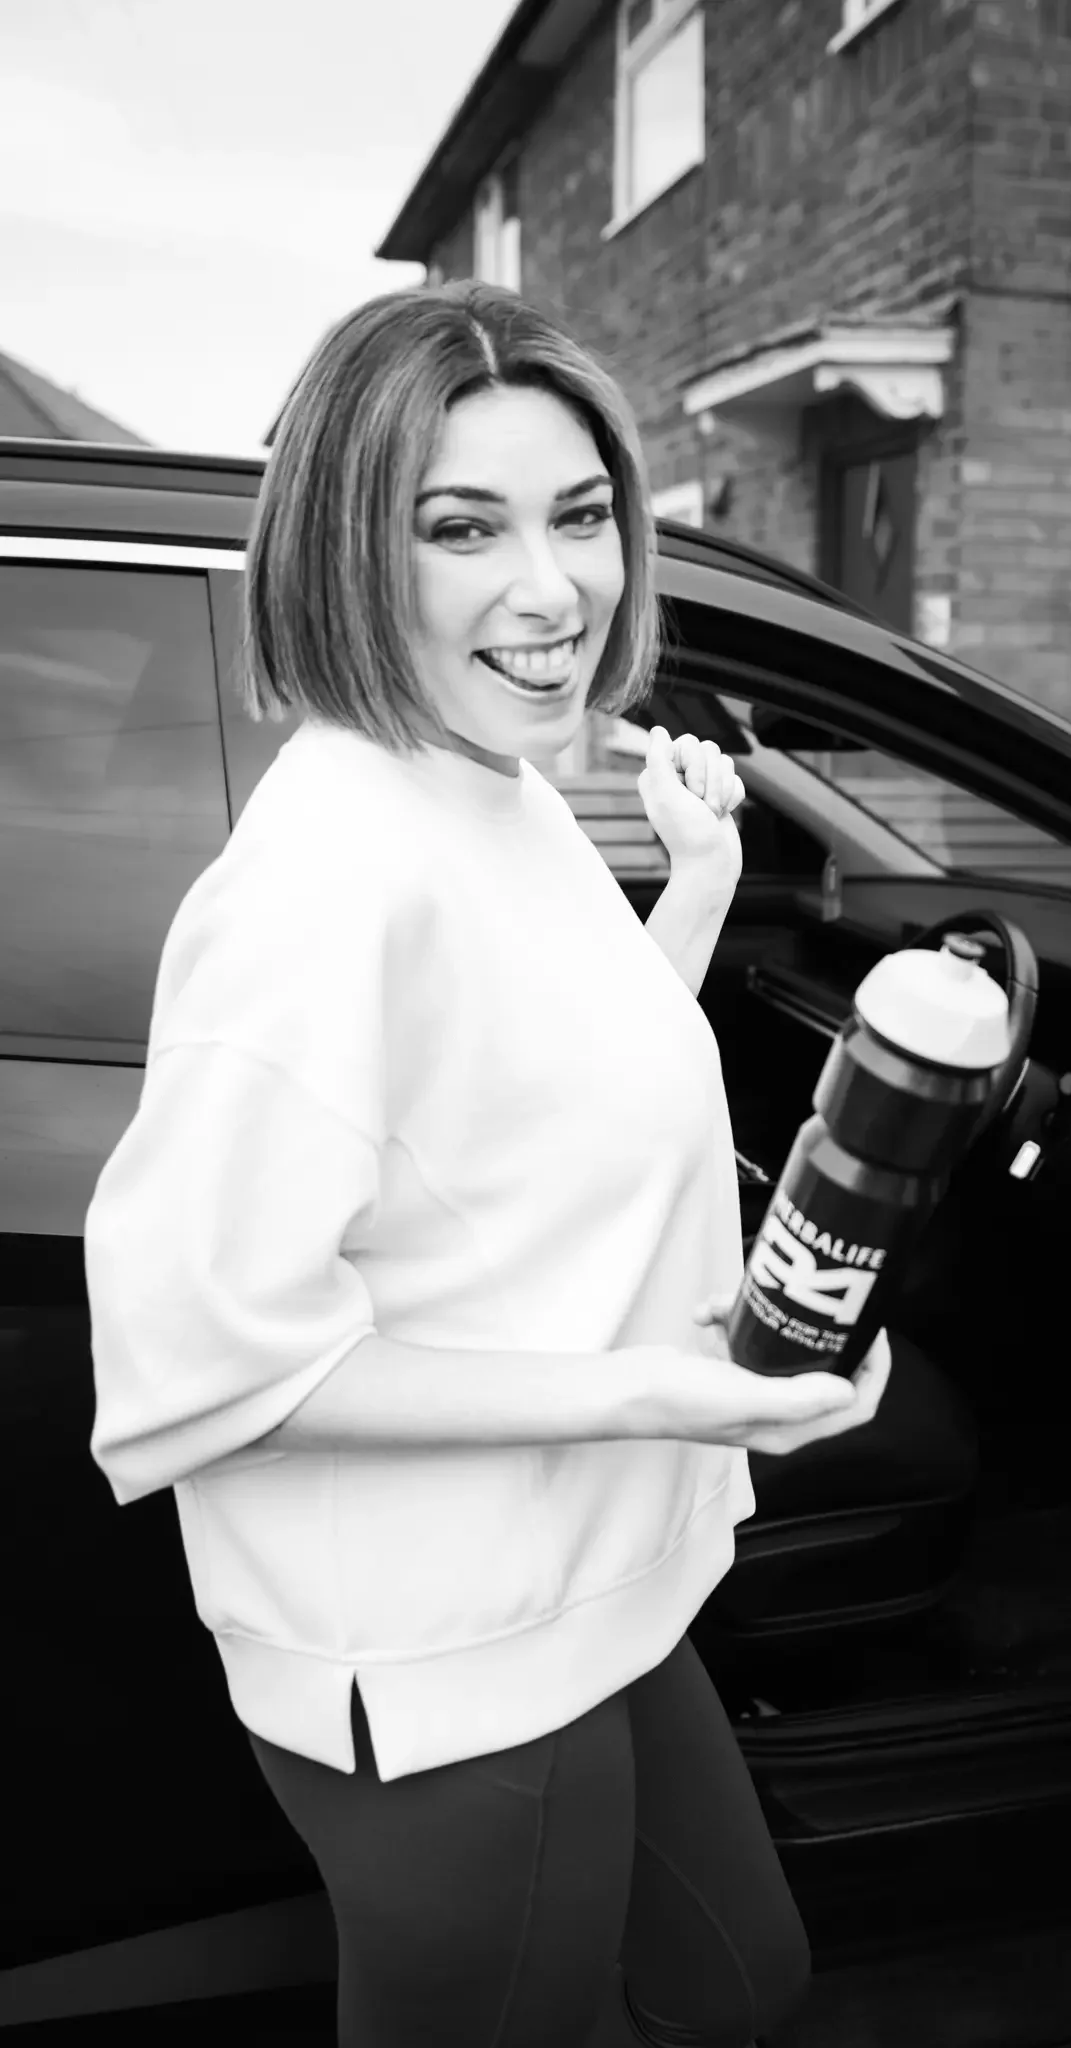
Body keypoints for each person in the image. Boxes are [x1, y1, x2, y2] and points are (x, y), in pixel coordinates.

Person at [85, 281, 892, 2048]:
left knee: (734, 1977)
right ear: (350, 556)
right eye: (465, 529)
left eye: (582, 514)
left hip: (587, 1578)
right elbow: (206, 1373)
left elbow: (532, 1093)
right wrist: (666, 1393)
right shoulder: (320, 889)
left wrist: (689, 891)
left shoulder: (489, 782)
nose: (554, 589)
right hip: (442, 1651)